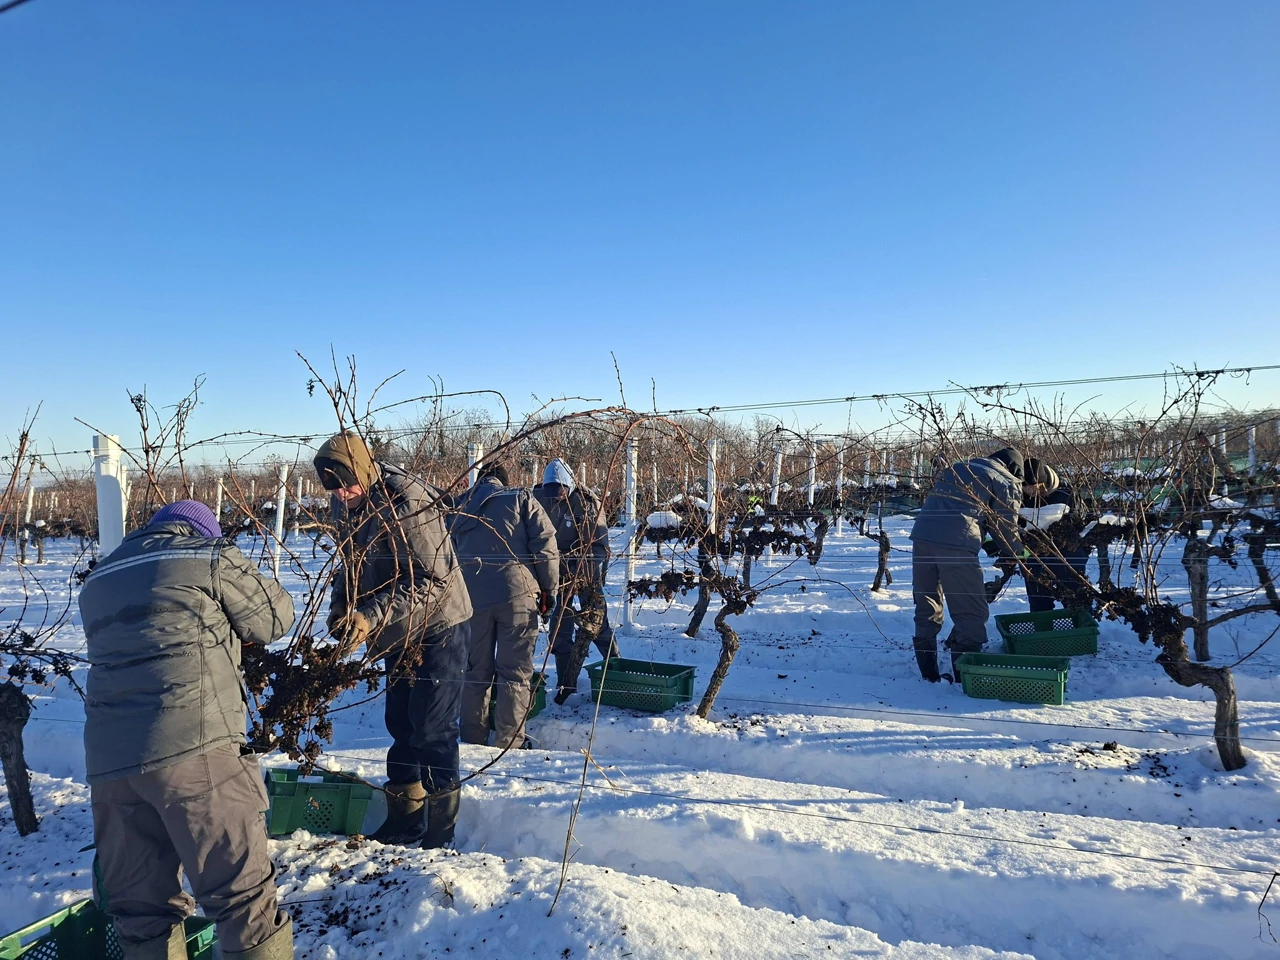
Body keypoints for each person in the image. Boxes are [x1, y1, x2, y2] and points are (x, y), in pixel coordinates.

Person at [78, 500, 295, 960]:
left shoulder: (97, 580)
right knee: (244, 903)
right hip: (195, 752)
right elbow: (275, 618)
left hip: (112, 769)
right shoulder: (208, 556)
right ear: (200, 531)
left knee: (141, 914)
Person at [314, 431, 473, 848]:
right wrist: (341, 606)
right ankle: (406, 818)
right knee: (400, 723)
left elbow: (432, 581)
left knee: (432, 729)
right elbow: (351, 561)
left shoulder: (407, 503)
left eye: (346, 483)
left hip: (439, 624)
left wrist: (368, 616)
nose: (340, 494)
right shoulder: (344, 504)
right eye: (330, 486)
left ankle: (440, 833)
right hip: (396, 629)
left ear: (364, 472)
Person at [448, 463, 559, 749]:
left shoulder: (459, 507)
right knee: (515, 672)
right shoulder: (521, 499)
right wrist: (549, 589)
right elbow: (546, 546)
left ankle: (472, 741)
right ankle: (509, 742)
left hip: (471, 601)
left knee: (474, 672)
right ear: (503, 483)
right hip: (518, 597)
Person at [909, 447, 1024, 681]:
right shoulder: (1006, 479)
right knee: (970, 610)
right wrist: (1020, 554)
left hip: (922, 538)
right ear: (1014, 469)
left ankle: (929, 675)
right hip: (956, 545)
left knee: (926, 604)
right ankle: (965, 679)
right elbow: (1006, 527)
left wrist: (985, 537)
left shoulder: (958, 467)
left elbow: (956, 509)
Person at [533, 459, 620, 702]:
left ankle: (616, 673)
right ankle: (565, 683)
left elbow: (599, 545)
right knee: (559, 629)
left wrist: (582, 571)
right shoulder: (538, 498)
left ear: (570, 485)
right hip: (554, 573)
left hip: (585, 573)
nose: (556, 495)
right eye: (552, 489)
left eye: (561, 489)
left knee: (598, 624)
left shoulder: (586, 503)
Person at [1019, 458, 1089, 612]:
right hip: (1033, 555)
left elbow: (1081, 523)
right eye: (1027, 487)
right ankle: (1044, 631)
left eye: (1035, 487)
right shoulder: (1017, 497)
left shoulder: (1065, 493)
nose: (1031, 492)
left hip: (1067, 556)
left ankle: (1080, 631)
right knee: (1039, 601)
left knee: (1075, 598)